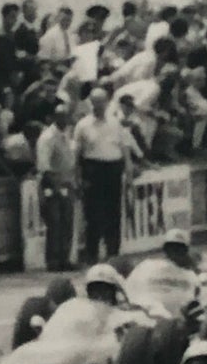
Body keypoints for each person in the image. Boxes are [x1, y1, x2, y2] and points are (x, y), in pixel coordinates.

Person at [73, 86, 137, 265]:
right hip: (93, 169)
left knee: (113, 212)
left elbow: (124, 148)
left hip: (113, 169)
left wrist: (129, 170)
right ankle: (91, 253)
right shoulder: (83, 125)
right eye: (95, 103)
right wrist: (77, 177)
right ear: (91, 103)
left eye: (101, 102)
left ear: (107, 103)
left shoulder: (115, 123)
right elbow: (77, 154)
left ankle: (113, 252)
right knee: (93, 213)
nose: (98, 106)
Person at [35, 102, 77, 271]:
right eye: (61, 116)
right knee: (55, 222)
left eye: (66, 116)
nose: (64, 119)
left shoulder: (65, 135)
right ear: (54, 117)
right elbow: (45, 166)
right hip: (52, 185)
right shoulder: (47, 138)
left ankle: (64, 258)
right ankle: (53, 260)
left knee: (67, 222)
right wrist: (57, 187)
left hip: (67, 182)